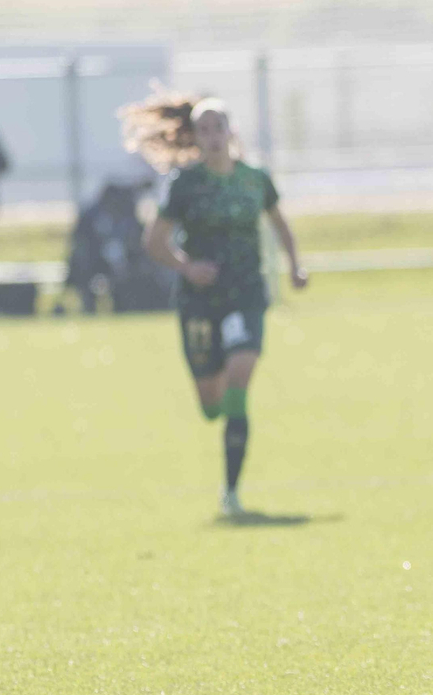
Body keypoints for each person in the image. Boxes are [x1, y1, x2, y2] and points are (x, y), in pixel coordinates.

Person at [126, 92, 308, 518]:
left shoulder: (255, 179)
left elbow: (281, 225)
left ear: (232, 132)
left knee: (240, 379)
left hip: (246, 295)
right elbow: (154, 242)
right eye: (203, 129)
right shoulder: (185, 185)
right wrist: (187, 267)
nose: (211, 136)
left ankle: (231, 492)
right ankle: (216, 402)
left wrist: (296, 266)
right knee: (211, 404)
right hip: (200, 302)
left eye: (218, 127)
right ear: (194, 136)